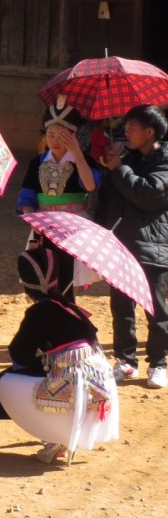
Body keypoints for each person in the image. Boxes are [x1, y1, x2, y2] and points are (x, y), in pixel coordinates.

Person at [0, 249, 118, 464]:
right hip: (101, 378)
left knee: (5, 382)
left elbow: (19, 354)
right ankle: (63, 433)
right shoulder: (70, 306)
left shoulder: (39, 311)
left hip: (74, 378)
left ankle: (56, 435)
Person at [94, 104, 168, 389]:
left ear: (150, 132)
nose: (127, 131)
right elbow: (110, 198)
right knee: (121, 307)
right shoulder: (126, 158)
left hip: (154, 245)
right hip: (121, 243)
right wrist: (112, 168)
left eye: (133, 127)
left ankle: (158, 363)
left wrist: (120, 169)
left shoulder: (164, 160)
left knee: (157, 310)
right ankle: (126, 361)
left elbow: (149, 195)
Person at [16, 101, 101, 296]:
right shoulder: (37, 162)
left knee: (67, 280)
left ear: (73, 136)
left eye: (61, 136)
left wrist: (78, 153)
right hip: (43, 226)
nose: (54, 140)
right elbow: (27, 197)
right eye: (50, 134)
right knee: (45, 276)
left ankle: (68, 316)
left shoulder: (85, 161)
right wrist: (33, 220)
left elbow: (90, 186)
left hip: (73, 226)